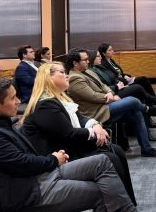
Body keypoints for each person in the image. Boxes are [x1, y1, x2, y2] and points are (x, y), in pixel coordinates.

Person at [0, 79, 137, 212]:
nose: (18, 101)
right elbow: (22, 163)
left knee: (102, 161)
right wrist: (53, 160)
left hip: (36, 177)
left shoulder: (1, 123)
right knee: (105, 193)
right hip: (26, 191)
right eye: (13, 98)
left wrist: (52, 160)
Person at [21, 62, 137, 204]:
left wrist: (94, 124)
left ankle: (127, 203)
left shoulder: (60, 98)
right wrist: (94, 132)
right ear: (48, 78)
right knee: (110, 157)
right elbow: (67, 134)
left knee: (117, 150)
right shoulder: (45, 104)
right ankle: (122, 205)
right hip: (60, 155)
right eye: (62, 72)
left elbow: (80, 117)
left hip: (70, 146)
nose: (67, 75)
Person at [66, 48, 156, 158]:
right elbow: (92, 96)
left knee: (136, 113)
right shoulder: (74, 79)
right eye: (85, 60)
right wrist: (110, 97)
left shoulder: (88, 71)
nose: (88, 61)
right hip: (96, 112)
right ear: (75, 63)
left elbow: (103, 86)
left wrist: (109, 92)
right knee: (132, 100)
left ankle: (146, 149)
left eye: (88, 59)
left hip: (106, 105)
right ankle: (148, 109)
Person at [98, 43, 156, 108]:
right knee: (141, 82)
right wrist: (124, 79)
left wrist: (125, 76)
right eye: (110, 50)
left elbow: (118, 72)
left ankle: (153, 102)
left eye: (112, 49)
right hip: (120, 83)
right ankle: (154, 101)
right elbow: (113, 77)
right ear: (104, 53)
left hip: (123, 79)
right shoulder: (103, 64)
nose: (112, 51)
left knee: (143, 79)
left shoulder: (110, 60)